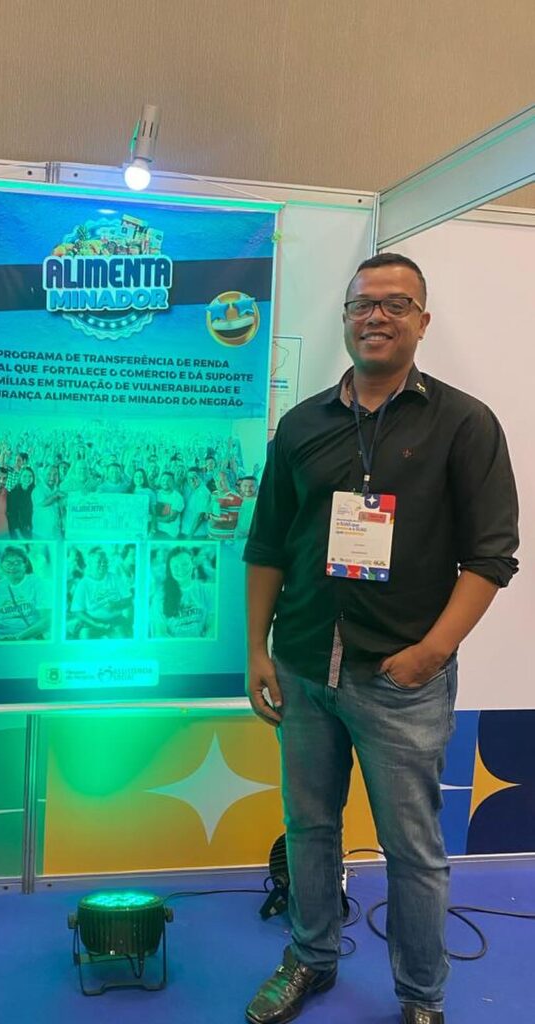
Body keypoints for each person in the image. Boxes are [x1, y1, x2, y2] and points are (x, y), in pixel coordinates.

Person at [243, 253, 519, 1024]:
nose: (376, 316)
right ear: (345, 318)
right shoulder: (301, 425)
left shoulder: (463, 424)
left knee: (412, 849)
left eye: (396, 304)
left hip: (401, 677)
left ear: (421, 322)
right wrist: (257, 648)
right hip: (303, 667)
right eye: (362, 303)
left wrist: (431, 653)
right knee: (308, 829)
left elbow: (491, 557)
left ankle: (420, 997)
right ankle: (310, 957)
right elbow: (266, 544)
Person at [0, 546, 52, 641]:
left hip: (29, 637)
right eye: (8, 563)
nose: (12, 567)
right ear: (1, 565)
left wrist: (17, 637)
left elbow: (47, 620)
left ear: (25, 565)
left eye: (17, 563)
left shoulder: (38, 584)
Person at [150, 546, 215, 639]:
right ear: (170, 570)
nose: (181, 569)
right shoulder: (159, 596)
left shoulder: (207, 590)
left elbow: (212, 625)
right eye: (175, 567)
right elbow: (160, 633)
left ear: (193, 563)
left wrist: (203, 644)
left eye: (185, 564)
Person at [69, 547, 133, 640]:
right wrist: (96, 624)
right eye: (99, 561)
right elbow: (77, 611)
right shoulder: (83, 584)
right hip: (91, 622)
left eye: (105, 561)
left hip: (115, 620)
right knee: (85, 637)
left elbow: (129, 600)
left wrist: (117, 604)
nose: (103, 564)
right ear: (90, 563)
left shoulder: (115, 578)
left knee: (123, 639)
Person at [6, 465, 35, 539]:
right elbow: (12, 516)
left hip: (31, 529)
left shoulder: (34, 491)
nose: (27, 479)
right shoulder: (13, 493)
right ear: (20, 477)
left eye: (30, 476)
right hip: (18, 531)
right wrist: (19, 535)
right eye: (24, 476)